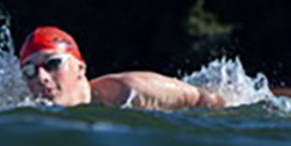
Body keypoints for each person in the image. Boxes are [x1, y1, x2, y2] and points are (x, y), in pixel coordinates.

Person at [19, 26, 226, 110]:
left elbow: (209, 101)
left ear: (81, 68)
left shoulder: (133, 91)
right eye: (29, 70)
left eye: (53, 63)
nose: (41, 77)